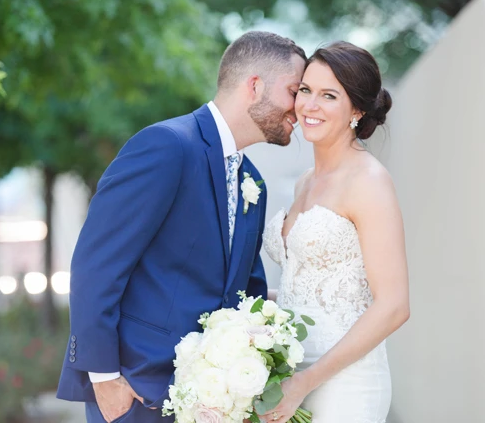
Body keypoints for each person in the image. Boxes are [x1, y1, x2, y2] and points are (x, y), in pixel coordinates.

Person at [56, 31, 306, 423]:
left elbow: (244, 293)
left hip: (213, 403)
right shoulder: (166, 146)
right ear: (255, 86)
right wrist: (104, 379)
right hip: (138, 395)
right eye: (295, 90)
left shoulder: (252, 181)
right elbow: (96, 265)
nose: (300, 106)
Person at [261, 41, 410, 423]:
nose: (310, 105)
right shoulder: (305, 182)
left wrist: (307, 380)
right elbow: (307, 287)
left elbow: (393, 306)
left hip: (345, 383)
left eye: (329, 95)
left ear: (356, 110)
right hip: (291, 372)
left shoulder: (369, 181)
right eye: (306, 90)